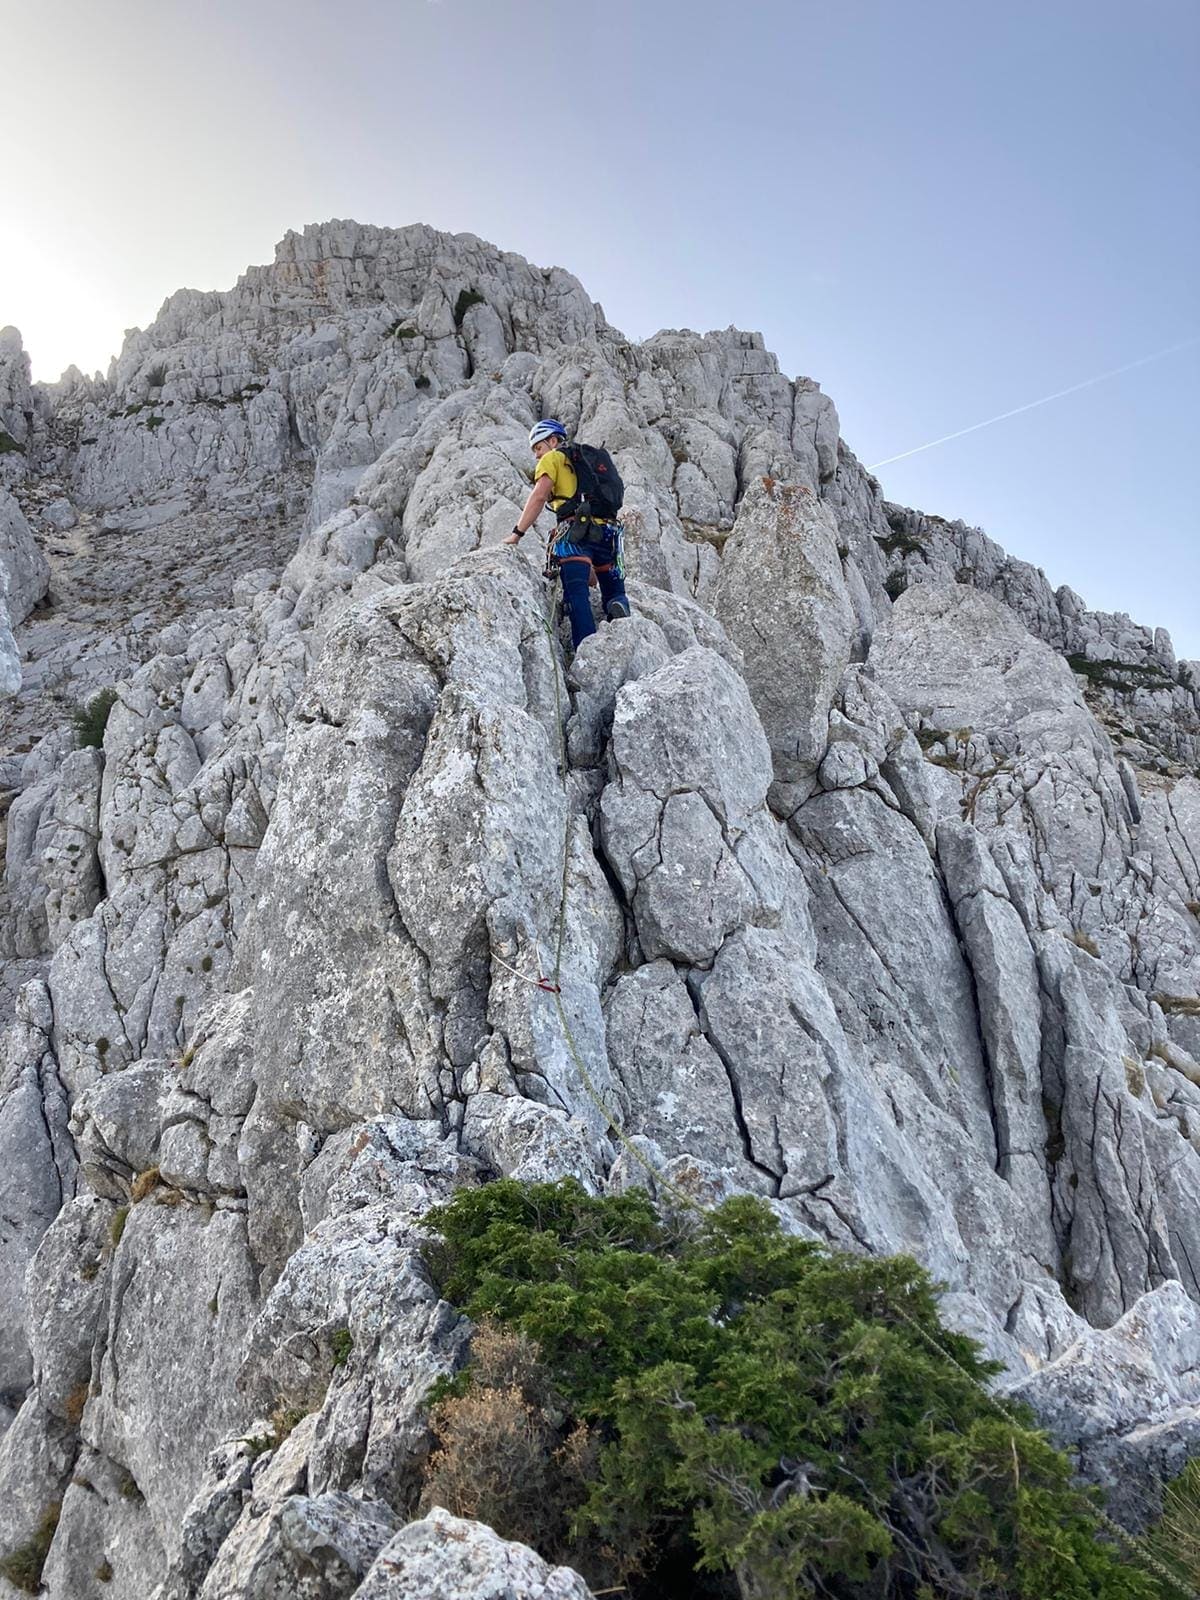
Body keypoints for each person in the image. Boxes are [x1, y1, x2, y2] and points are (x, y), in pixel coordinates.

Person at [503, 420, 630, 648]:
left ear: (553, 441)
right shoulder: (588, 461)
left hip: (575, 534)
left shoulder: (553, 459)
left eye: (538, 448)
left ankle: (586, 648)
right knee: (613, 590)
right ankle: (617, 604)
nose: (536, 456)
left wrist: (517, 533)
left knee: (577, 593)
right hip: (608, 535)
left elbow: (539, 496)